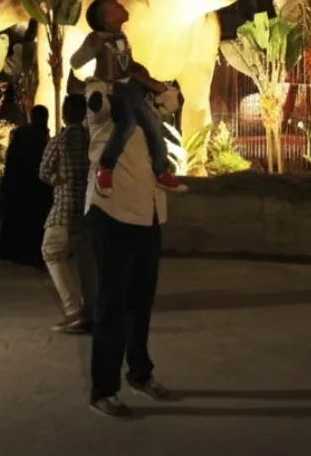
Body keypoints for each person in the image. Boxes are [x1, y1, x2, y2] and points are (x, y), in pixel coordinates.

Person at [84, 79, 172, 419]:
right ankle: (103, 389)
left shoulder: (146, 103)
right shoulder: (103, 97)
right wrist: (114, 80)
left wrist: (143, 78)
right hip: (112, 212)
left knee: (141, 303)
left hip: (149, 214)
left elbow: (171, 99)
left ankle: (140, 373)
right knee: (112, 305)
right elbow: (96, 106)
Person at [70, 0, 185, 197]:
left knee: (153, 123)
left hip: (130, 86)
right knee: (127, 123)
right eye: (116, 6)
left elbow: (127, 64)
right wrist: (90, 45)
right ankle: (105, 167)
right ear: (107, 17)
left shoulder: (121, 37)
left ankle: (161, 170)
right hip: (113, 89)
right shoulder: (99, 39)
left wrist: (144, 76)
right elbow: (76, 61)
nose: (122, 5)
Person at [38, 94, 96, 333]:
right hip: (90, 210)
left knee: (51, 252)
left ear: (63, 114)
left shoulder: (59, 141)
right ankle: (92, 311)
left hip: (63, 208)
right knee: (86, 262)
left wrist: (58, 180)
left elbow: (43, 172)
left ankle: (74, 311)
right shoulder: (92, 140)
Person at [0, 105, 52, 268]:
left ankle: (14, 251)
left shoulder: (22, 134)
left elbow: (12, 161)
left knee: (18, 218)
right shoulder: (40, 136)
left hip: (19, 184)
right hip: (35, 186)